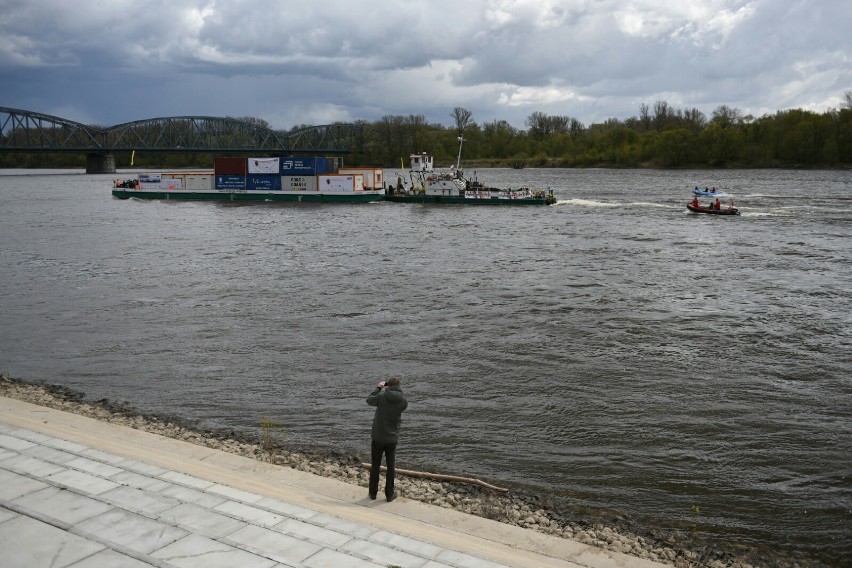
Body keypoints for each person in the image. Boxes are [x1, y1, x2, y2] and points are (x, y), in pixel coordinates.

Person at [366, 377, 408, 501]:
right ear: (399, 386)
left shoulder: (381, 397)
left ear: (388, 385)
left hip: (378, 436)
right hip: (392, 437)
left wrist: (378, 388)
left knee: (375, 465)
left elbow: (369, 400)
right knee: (391, 466)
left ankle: (373, 493)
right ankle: (389, 494)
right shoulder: (403, 401)